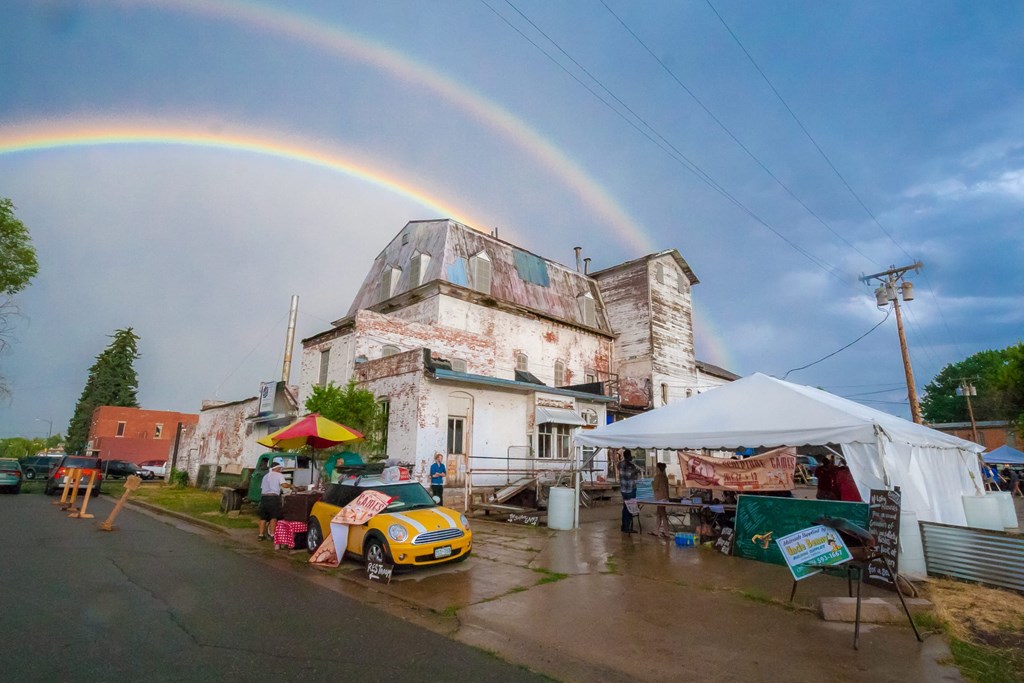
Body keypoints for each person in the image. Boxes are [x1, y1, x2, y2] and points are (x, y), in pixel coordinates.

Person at [257, 457, 291, 542]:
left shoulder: (265, 476)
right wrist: (292, 486)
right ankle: (272, 535)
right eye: (280, 468)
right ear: (277, 468)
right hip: (273, 498)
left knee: (263, 518)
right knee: (273, 517)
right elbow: (284, 485)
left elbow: (262, 488)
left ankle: (260, 535)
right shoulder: (279, 475)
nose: (280, 470)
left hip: (264, 498)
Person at [618, 449, 640, 533]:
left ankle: (624, 526)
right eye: (631, 456)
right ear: (628, 456)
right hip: (629, 489)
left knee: (625, 508)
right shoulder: (629, 465)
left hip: (623, 489)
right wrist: (635, 471)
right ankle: (628, 527)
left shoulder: (620, 464)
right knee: (629, 509)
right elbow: (628, 475)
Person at [651, 462, 670, 538]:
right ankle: (656, 530)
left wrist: (652, 482)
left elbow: (655, 488)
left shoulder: (657, 477)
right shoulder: (665, 477)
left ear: (658, 468)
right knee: (659, 513)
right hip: (665, 498)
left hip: (659, 498)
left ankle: (666, 532)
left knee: (663, 514)